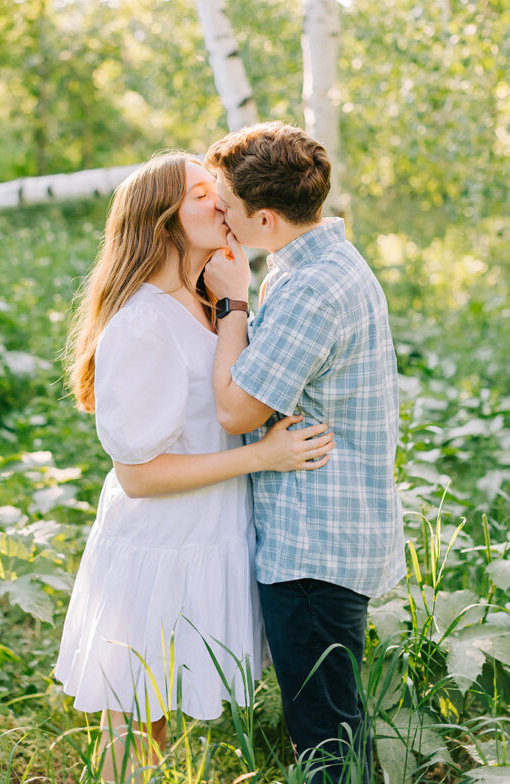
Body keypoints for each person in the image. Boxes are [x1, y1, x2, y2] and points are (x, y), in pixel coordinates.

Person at [55, 152, 336, 781]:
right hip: (157, 545)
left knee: (156, 725)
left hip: (202, 536)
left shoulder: (203, 302)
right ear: (162, 221)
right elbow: (138, 476)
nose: (221, 200)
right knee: (134, 725)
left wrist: (235, 299)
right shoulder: (142, 323)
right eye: (202, 193)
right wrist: (263, 457)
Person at [203, 122, 406, 784]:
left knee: (324, 742)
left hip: (314, 548)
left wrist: (231, 302)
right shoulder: (319, 265)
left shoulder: (309, 288)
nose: (223, 223)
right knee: (335, 726)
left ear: (263, 217)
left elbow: (236, 409)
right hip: (327, 539)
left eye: (228, 211)